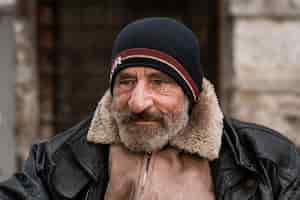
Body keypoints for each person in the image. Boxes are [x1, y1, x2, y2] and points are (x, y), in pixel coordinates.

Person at [1, 17, 300, 200]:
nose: (138, 103)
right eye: (126, 82)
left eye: (159, 82)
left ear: (191, 92)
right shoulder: (57, 160)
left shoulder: (267, 161)